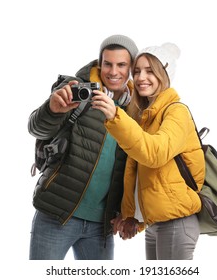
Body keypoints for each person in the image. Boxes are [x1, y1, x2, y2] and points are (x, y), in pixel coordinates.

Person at [28, 34, 139, 260]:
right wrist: (52, 108)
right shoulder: (75, 89)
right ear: (100, 63)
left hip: (102, 225)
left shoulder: (135, 110)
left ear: (131, 69)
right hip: (56, 214)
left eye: (121, 65)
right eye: (107, 63)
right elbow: (35, 128)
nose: (113, 71)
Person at [92, 42, 205, 260]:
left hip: (176, 223)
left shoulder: (176, 112)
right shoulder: (146, 117)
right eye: (137, 71)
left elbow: (155, 154)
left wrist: (116, 116)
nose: (141, 77)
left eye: (150, 71)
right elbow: (145, 180)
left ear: (165, 74)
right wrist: (132, 217)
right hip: (157, 225)